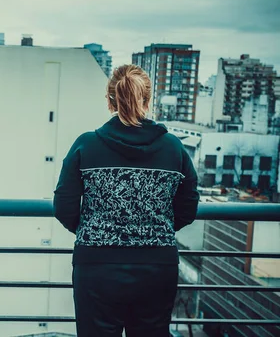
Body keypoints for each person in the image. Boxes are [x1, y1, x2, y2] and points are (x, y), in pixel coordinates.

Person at [53, 64, 199, 337]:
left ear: (110, 101)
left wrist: (93, 229)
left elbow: (64, 205)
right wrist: (156, 228)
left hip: (95, 266)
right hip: (157, 267)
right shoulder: (174, 148)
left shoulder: (86, 145)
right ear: (147, 100)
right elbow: (188, 207)